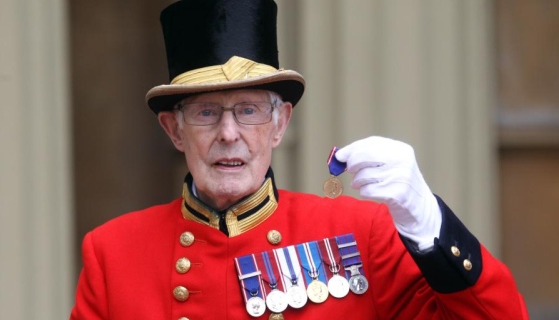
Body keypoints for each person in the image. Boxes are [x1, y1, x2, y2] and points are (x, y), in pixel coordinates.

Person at [70, 0, 529, 319]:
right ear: (174, 129)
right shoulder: (113, 254)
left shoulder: (361, 235)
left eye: (248, 111)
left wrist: (430, 226)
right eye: (206, 113)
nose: (229, 134)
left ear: (280, 124)